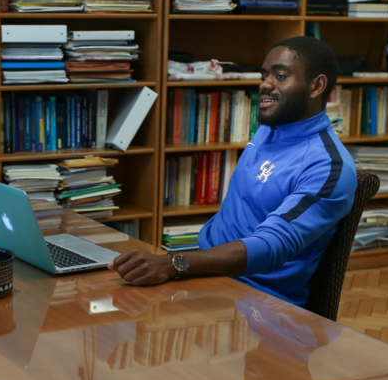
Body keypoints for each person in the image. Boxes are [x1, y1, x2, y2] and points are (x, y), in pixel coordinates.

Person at [109, 36, 357, 306]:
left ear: (316, 86)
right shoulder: (272, 126)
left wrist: (174, 263)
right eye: (264, 75)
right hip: (204, 273)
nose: (265, 84)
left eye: (281, 76)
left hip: (256, 300)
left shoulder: (328, 166)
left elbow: (270, 247)